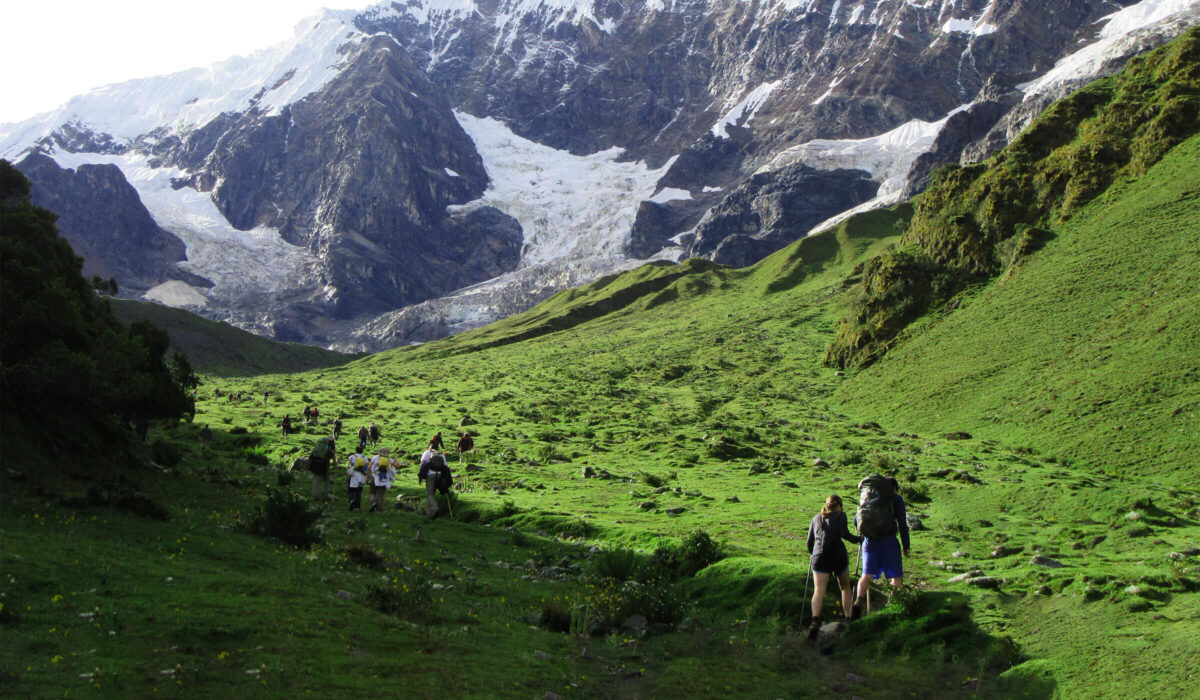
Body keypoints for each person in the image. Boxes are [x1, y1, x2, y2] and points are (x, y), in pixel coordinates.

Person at [853, 475, 911, 618]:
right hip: (888, 541)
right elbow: (903, 524)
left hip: (869, 541)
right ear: (894, 488)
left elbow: (856, 520)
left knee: (866, 575)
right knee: (896, 576)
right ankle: (894, 606)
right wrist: (906, 546)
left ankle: (858, 601)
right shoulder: (895, 499)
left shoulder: (868, 498)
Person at [805, 494, 862, 639]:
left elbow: (809, 543)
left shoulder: (816, 518)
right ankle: (848, 618)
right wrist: (859, 539)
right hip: (838, 555)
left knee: (819, 590)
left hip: (819, 556)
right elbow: (844, 534)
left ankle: (815, 621)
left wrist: (814, 553)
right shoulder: (840, 515)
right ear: (839, 506)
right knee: (845, 586)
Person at [418, 448, 452, 519]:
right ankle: (430, 515)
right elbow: (446, 466)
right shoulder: (441, 455)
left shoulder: (427, 452)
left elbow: (422, 463)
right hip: (439, 475)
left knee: (429, 494)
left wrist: (420, 476)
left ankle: (435, 508)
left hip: (430, 475)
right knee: (432, 495)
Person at [309, 436, 337, 504]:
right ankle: (325, 496)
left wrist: (309, 461)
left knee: (317, 479)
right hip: (325, 463)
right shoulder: (331, 443)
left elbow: (312, 452)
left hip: (316, 463)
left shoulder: (320, 444)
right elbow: (332, 453)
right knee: (326, 480)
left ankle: (315, 495)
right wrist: (335, 463)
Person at [368, 447, 396, 512]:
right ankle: (379, 511)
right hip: (384, 479)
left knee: (372, 493)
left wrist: (367, 477)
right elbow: (397, 465)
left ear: (379, 452)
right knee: (380, 495)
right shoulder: (389, 459)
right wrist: (395, 458)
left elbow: (369, 467)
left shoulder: (375, 458)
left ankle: (374, 503)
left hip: (374, 478)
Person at [346, 446, 369, 512]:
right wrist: (367, 477)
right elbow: (366, 468)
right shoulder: (365, 458)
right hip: (361, 476)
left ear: (356, 450)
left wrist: (347, 477)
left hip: (353, 475)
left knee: (350, 490)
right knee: (358, 493)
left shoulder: (352, 457)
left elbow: (349, 467)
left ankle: (351, 500)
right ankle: (357, 508)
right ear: (362, 451)